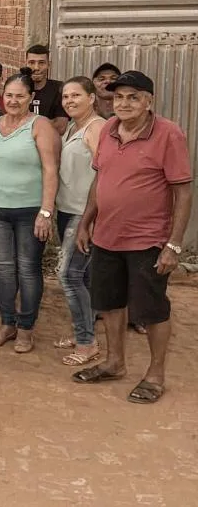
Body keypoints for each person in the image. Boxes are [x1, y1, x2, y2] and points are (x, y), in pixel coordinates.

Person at [72, 71, 192, 404]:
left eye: (133, 97)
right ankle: (114, 362)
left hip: (147, 240)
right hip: (107, 236)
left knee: (151, 310)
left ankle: (155, 375)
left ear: (148, 101)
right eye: (119, 97)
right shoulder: (109, 128)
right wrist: (86, 223)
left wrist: (173, 244)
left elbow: (182, 190)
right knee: (109, 302)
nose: (123, 103)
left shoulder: (169, 134)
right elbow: (100, 180)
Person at [0, 68, 60, 353]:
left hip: (29, 210)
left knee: (28, 270)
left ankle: (26, 328)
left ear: (30, 98)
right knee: (5, 270)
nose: (13, 100)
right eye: (9, 95)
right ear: (2, 97)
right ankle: (7, 323)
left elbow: (50, 169)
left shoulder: (40, 125)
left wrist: (46, 211)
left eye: (19, 96)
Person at [54, 77, 105, 365]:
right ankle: (82, 330)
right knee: (82, 276)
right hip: (67, 209)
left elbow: (105, 174)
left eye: (76, 95)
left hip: (82, 214)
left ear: (91, 97)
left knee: (68, 276)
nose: (70, 101)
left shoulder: (96, 128)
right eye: (65, 96)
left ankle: (87, 342)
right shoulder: (73, 126)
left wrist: (90, 219)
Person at [25, 44, 69, 133]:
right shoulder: (18, 88)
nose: (36, 68)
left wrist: (24, 127)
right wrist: (50, 122)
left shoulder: (59, 89)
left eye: (41, 63)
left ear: (49, 64)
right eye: (32, 63)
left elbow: (60, 126)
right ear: (26, 64)